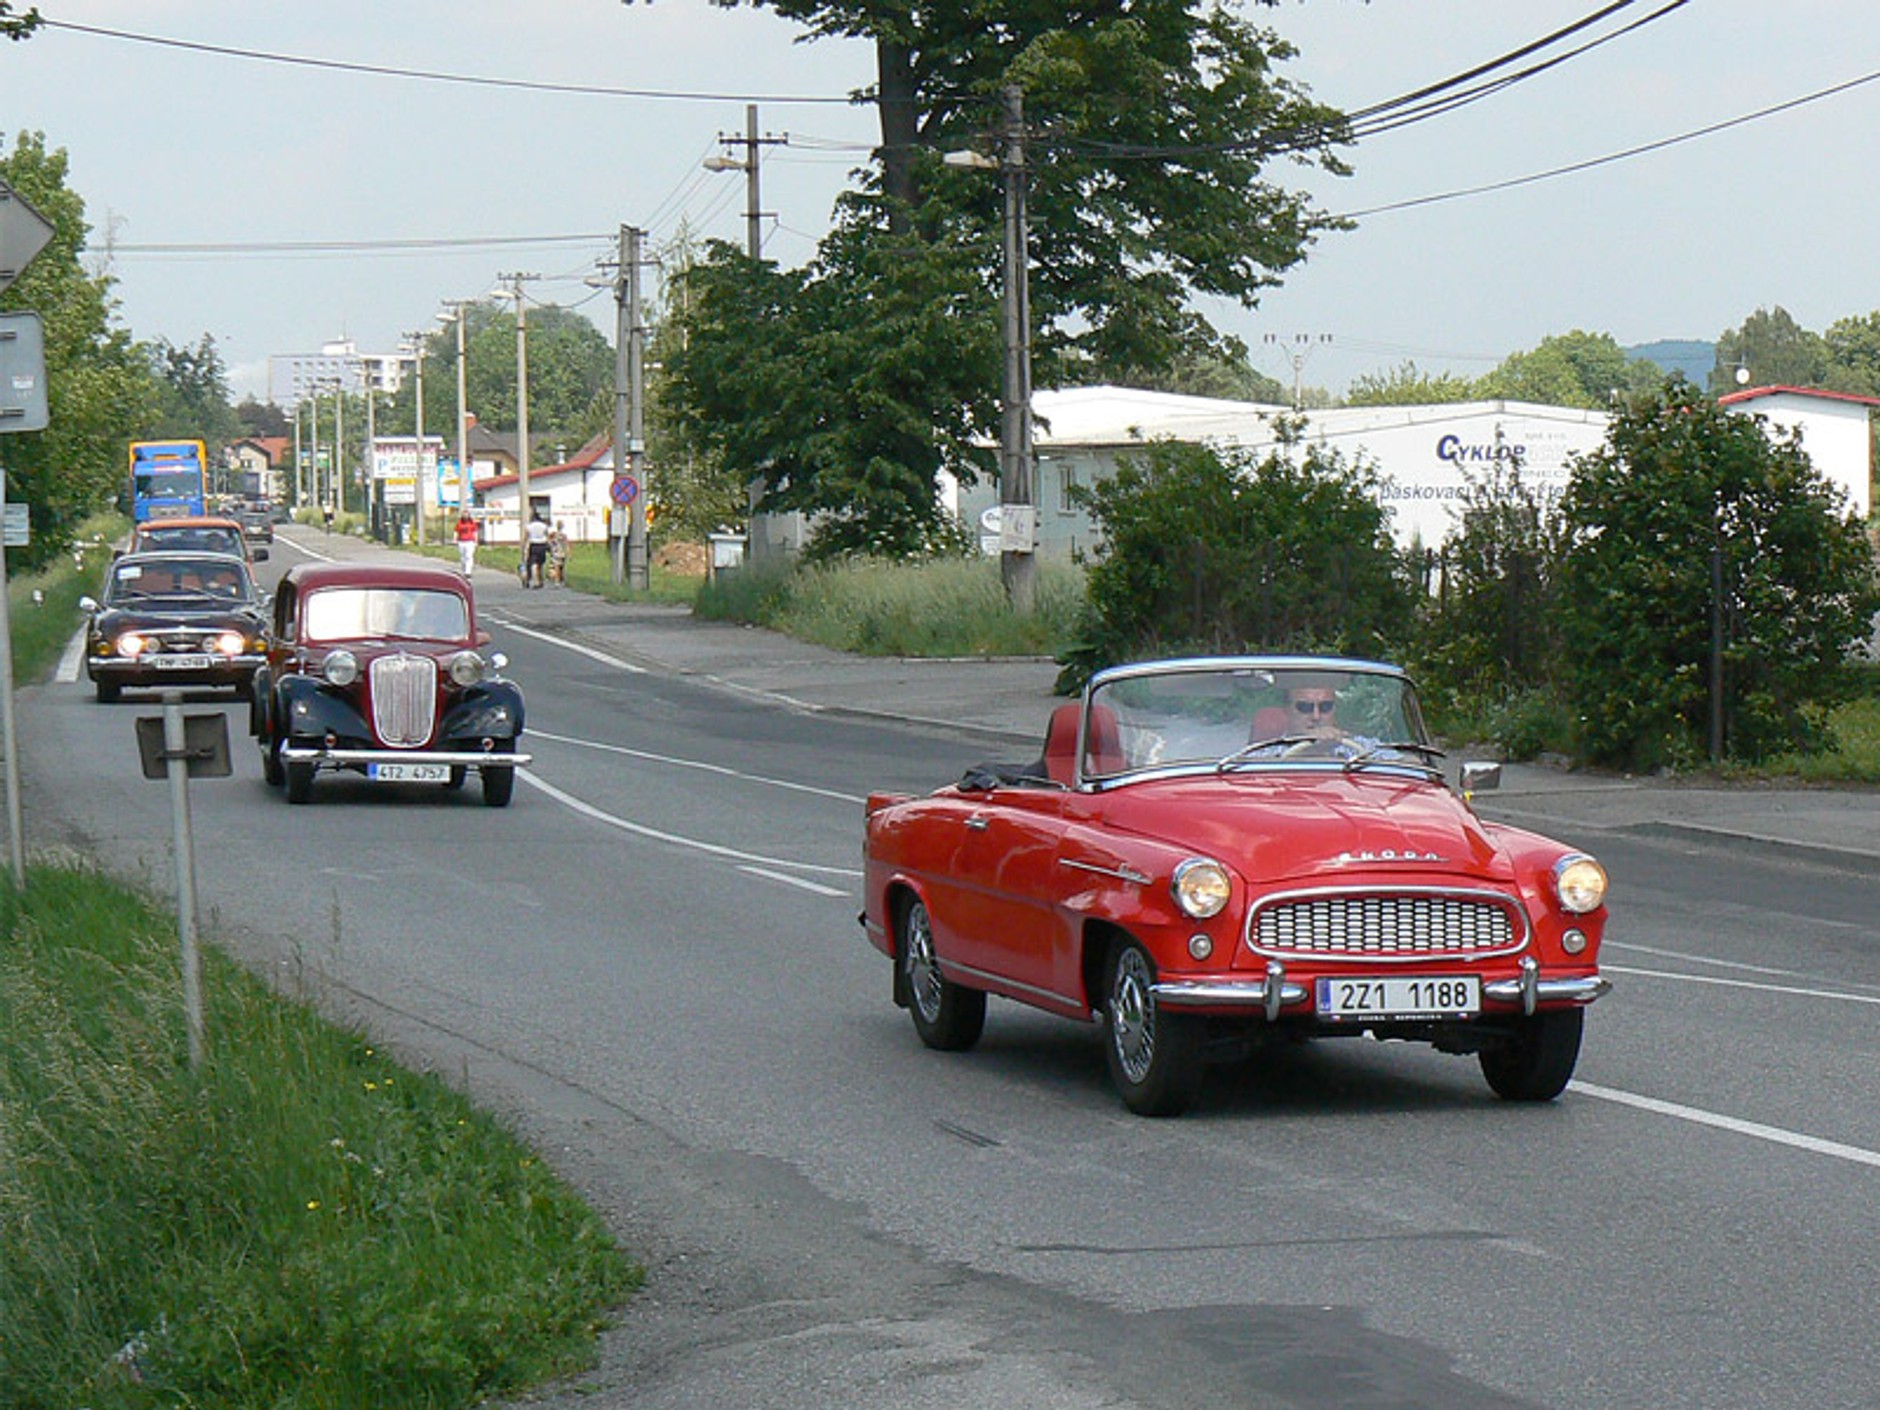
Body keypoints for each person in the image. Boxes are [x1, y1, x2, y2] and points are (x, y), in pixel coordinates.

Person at [523, 512, 550, 588]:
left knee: (533, 563)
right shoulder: (544, 526)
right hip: (542, 545)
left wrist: (524, 547)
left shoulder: (529, 526)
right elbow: (547, 536)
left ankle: (535, 581)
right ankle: (540, 580)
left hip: (533, 545)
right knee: (540, 564)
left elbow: (526, 537)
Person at [454, 509, 479, 575]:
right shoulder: (459, 523)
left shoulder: (472, 523)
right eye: (464, 514)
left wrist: (476, 541)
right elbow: (456, 531)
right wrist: (455, 540)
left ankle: (468, 572)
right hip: (461, 541)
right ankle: (463, 569)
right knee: (463, 557)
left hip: (470, 541)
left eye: (466, 514)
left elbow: (475, 532)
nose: (465, 516)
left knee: (469, 556)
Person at [546, 521, 569, 586]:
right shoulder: (564, 535)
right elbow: (566, 544)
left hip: (555, 552)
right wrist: (568, 552)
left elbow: (548, 541)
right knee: (561, 567)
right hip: (562, 552)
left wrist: (550, 546)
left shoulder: (553, 534)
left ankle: (557, 581)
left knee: (557, 567)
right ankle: (561, 580)